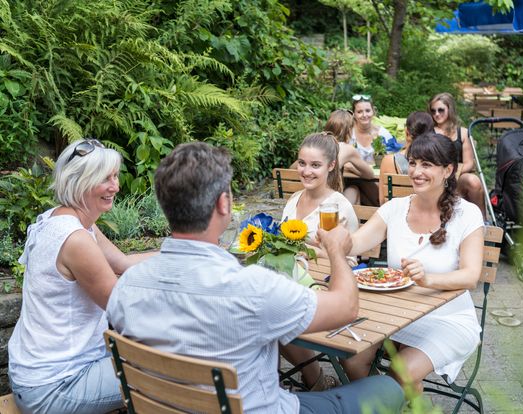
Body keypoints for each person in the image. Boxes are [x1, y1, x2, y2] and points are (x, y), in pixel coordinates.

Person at [106, 142, 405, 414]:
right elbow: (346, 308)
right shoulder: (254, 288)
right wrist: (337, 251)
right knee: (388, 388)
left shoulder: (126, 286)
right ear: (224, 204)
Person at [8, 139, 156, 414]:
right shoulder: (75, 240)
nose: (116, 186)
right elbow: (125, 309)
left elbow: (124, 263)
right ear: (81, 183)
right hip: (55, 387)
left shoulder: (62, 220)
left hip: (37, 373)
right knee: (174, 369)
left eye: (115, 176)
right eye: (105, 179)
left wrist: (181, 251)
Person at [342, 133, 484, 394]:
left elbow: (471, 276)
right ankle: (389, 405)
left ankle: (402, 401)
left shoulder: (467, 214)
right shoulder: (395, 208)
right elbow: (356, 243)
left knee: (402, 373)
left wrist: (428, 279)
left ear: (448, 170)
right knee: (351, 358)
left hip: (448, 318)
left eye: (427, 165)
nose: (416, 172)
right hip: (397, 313)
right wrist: (332, 240)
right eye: (413, 163)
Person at [281, 132, 359, 391]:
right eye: (302, 163)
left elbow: (348, 259)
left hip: (325, 290)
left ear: (331, 166)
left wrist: (307, 249)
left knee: (276, 321)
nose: (306, 171)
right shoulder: (293, 200)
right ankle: (314, 381)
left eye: (315, 165)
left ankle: (315, 382)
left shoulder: (338, 206)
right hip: (293, 284)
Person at [429, 92, 486, 217]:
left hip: (457, 176)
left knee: (473, 181)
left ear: (450, 109)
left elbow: (469, 163)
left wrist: (452, 173)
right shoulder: (429, 132)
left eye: (441, 110)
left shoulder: (462, 133)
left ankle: (483, 221)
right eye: (433, 111)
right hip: (435, 177)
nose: (436, 114)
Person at [379, 111, 434, 203]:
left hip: (395, 215)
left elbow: (382, 201)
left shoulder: (389, 161)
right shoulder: (437, 162)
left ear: (407, 132)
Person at [324, 109, 376, 205]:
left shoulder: (316, 143)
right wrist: (352, 168)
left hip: (309, 196)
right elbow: (370, 174)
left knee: (353, 189)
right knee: (354, 189)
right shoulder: (346, 148)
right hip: (329, 202)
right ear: (349, 130)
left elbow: (292, 168)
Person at [350, 94, 402, 165]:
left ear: (373, 111)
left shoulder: (383, 134)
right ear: (354, 114)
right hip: (350, 175)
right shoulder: (349, 134)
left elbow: (393, 161)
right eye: (359, 112)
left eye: (368, 111)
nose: (364, 115)